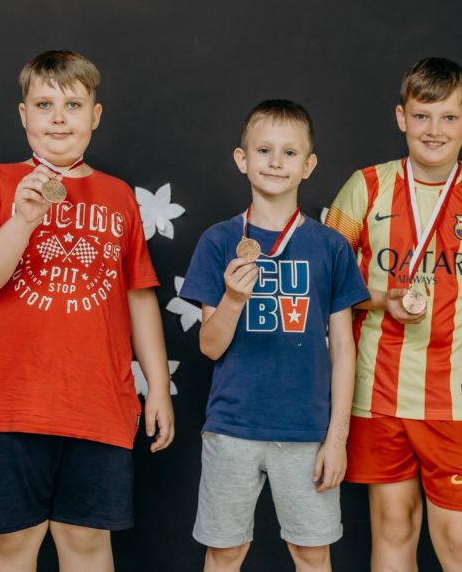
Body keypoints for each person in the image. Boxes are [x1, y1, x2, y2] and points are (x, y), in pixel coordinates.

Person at [0, 49, 175, 571]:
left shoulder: (117, 196)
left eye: (73, 105)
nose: (58, 118)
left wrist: (159, 387)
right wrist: (23, 220)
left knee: (87, 543)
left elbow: (139, 296)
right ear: (23, 114)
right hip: (10, 401)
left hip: (98, 401)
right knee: (10, 544)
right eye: (44, 105)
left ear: (94, 116)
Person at [324, 57, 462, 571]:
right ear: (402, 117)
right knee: (393, 528)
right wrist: (382, 299)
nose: (433, 130)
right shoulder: (365, 186)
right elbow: (326, 285)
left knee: (459, 541)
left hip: (456, 401)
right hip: (376, 392)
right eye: (421, 116)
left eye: (448, 117)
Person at [179, 99, 370, 572]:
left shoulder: (330, 246)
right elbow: (210, 346)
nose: (276, 162)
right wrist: (233, 299)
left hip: (307, 430)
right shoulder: (219, 241)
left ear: (309, 165)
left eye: (290, 152)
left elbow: (344, 348)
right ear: (242, 159)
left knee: (312, 552)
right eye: (264, 150)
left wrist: (337, 438)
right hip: (233, 426)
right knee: (225, 551)